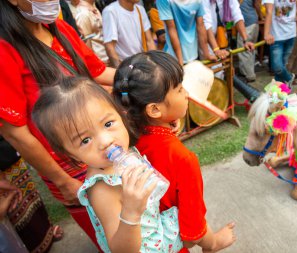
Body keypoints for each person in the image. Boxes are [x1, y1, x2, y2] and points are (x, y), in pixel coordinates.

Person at [0, 0, 115, 250]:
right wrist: (62, 180)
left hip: (103, 145)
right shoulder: (4, 49)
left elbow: (96, 71)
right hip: (68, 165)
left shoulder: (59, 28)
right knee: (111, 236)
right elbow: (15, 133)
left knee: (134, 221)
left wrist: (144, 73)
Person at [32, 76, 183, 253]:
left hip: (158, 230)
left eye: (108, 123)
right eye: (85, 140)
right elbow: (120, 249)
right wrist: (131, 212)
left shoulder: (124, 154)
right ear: (72, 155)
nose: (105, 141)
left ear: (121, 115)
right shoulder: (102, 189)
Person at [113, 50, 236, 253]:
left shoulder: (123, 138)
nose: (186, 93)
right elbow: (192, 233)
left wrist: (166, 120)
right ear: (153, 110)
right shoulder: (183, 159)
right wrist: (214, 242)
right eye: (179, 89)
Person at [156, 0, 216, 65]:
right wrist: (180, 61)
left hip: (193, 54)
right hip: (173, 57)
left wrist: (206, 54)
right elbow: (171, 28)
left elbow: (201, 25)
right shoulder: (163, 1)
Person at [103, 0, 157, 68]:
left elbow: (149, 41)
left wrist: (155, 64)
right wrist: (121, 72)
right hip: (125, 65)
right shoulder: (111, 11)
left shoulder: (140, 9)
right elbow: (110, 46)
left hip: (142, 63)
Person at [263, 0, 297, 87]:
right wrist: (266, 33)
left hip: (291, 33)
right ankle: (289, 78)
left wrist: (295, 14)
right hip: (276, 35)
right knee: (277, 67)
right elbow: (269, 11)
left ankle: (281, 93)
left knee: (283, 65)